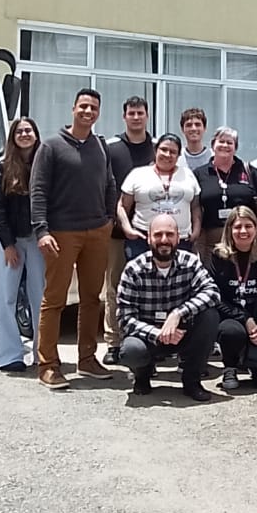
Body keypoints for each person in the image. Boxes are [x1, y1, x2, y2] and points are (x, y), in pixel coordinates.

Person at [30, 87, 118, 389]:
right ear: (73, 109)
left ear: (98, 112)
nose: (88, 112)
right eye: (83, 106)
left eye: (93, 107)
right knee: (54, 300)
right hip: (61, 233)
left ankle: (87, 358)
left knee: (92, 299)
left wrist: (108, 220)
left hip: (97, 232)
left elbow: (110, 184)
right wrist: (41, 230)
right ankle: (48, 365)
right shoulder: (51, 146)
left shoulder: (100, 146)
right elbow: (38, 190)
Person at [116, 214, 221, 402]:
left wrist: (178, 313)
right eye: (158, 235)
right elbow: (125, 318)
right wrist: (156, 333)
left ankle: (192, 381)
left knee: (210, 316)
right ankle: (142, 376)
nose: (164, 240)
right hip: (148, 338)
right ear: (148, 238)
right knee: (131, 350)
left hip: (182, 332)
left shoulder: (191, 262)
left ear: (178, 237)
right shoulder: (133, 270)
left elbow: (212, 292)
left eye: (169, 234)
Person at [0, 117, 45, 372]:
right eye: (19, 131)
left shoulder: (45, 166)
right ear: (13, 137)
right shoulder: (0, 168)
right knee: (6, 297)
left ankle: (43, 352)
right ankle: (9, 355)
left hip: (37, 239)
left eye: (28, 130)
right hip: (7, 240)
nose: (24, 134)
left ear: (36, 135)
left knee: (41, 297)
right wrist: (8, 244)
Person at [102, 96, 155, 366]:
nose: (136, 117)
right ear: (124, 116)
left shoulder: (158, 148)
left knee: (150, 288)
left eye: (140, 113)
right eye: (131, 113)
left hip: (151, 233)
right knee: (114, 287)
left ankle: (148, 341)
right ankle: (113, 342)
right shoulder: (110, 148)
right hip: (116, 232)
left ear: (147, 116)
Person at [210, 205, 257, 390]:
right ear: (229, 231)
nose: (243, 231)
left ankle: (249, 360)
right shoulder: (218, 257)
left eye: (248, 226)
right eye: (237, 227)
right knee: (232, 332)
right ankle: (230, 366)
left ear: (256, 228)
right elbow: (215, 297)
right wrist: (245, 319)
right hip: (231, 319)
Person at [192, 126, 257, 258]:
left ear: (235, 148)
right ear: (213, 145)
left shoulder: (249, 171)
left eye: (229, 143)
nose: (225, 145)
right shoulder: (199, 173)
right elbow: (195, 207)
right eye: (221, 141)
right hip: (211, 240)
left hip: (245, 238)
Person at [118, 134, 201, 256]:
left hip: (181, 239)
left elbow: (195, 206)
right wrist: (127, 229)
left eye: (173, 152)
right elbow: (122, 206)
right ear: (155, 150)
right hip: (143, 239)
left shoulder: (188, 175)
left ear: (178, 156)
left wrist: (196, 230)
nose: (167, 155)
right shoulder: (138, 174)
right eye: (163, 150)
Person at [180, 107, 213, 172]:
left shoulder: (213, 157)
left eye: (197, 125)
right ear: (182, 129)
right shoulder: (177, 158)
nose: (193, 128)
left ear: (204, 128)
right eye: (189, 125)